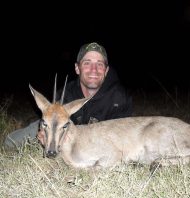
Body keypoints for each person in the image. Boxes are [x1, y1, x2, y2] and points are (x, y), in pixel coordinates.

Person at [4, 42, 134, 148]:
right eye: (87, 63)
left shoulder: (120, 98)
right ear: (77, 68)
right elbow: (54, 123)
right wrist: (44, 135)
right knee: (10, 142)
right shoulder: (65, 94)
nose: (94, 70)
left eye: (99, 64)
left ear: (106, 71)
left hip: (93, 136)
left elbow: (119, 137)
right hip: (60, 127)